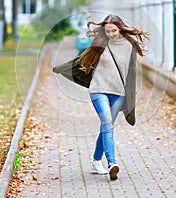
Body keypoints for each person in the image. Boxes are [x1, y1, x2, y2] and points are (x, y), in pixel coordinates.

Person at [53, 14, 148, 181]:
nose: (111, 34)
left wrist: (131, 96)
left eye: (114, 31)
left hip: (118, 92)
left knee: (107, 126)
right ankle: (112, 164)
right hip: (98, 89)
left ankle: (96, 161)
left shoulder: (128, 46)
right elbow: (81, 61)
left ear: (120, 29)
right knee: (106, 123)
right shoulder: (100, 43)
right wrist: (62, 68)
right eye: (108, 31)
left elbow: (131, 73)